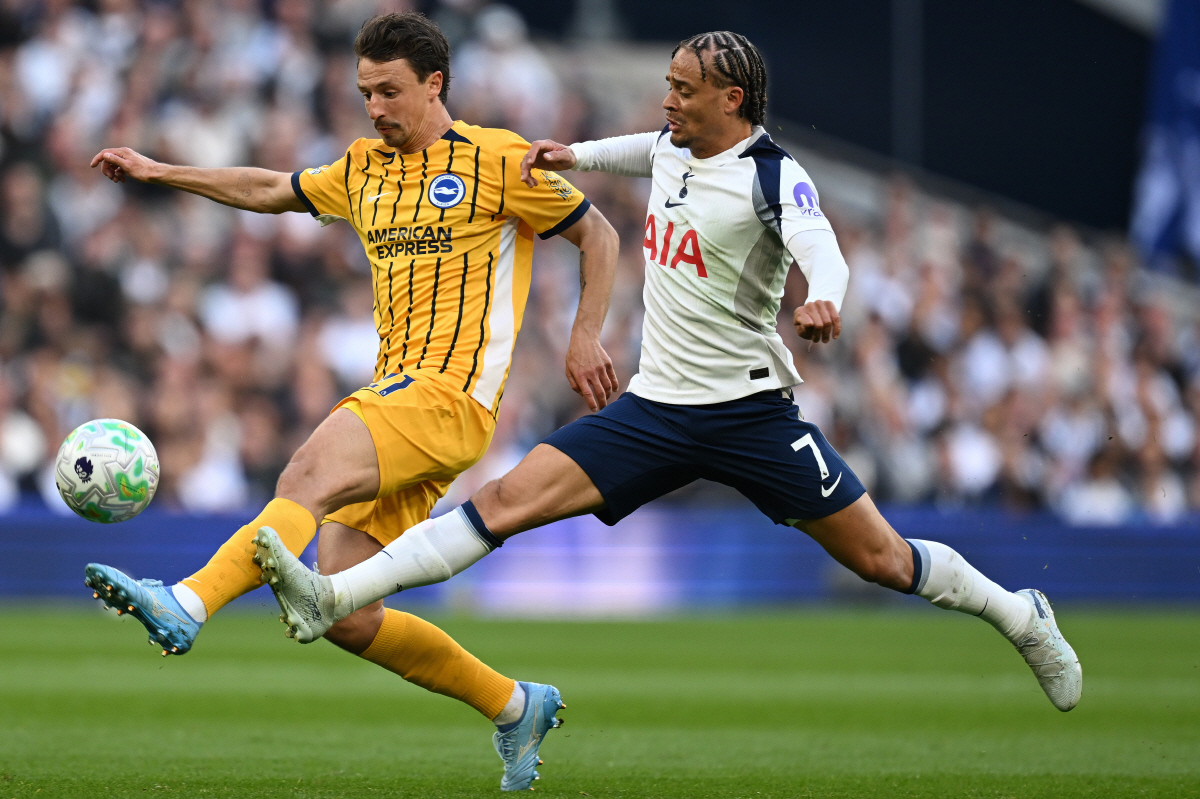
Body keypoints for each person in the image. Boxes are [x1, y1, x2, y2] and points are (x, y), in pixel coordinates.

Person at [257, 30, 1082, 729]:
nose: (668, 101)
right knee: (503, 503)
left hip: (752, 413)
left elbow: (819, 239)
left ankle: (1018, 613)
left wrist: (826, 294)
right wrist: (570, 154)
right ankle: (336, 595)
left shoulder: (772, 174)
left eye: (684, 90)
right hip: (655, 407)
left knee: (883, 560)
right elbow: (637, 154)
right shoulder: (671, 148)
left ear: (732, 101)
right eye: (667, 85)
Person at [83, 12, 620, 791]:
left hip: (447, 394)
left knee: (305, 471)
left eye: (391, 91)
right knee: (344, 609)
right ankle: (513, 705)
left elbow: (597, 234)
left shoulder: (497, 158)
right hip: (402, 397)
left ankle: (189, 602)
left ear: (435, 84)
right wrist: (162, 172)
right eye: (366, 92)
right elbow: (272, 188)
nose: (376, 107)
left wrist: (585, 335)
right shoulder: (363, 167)